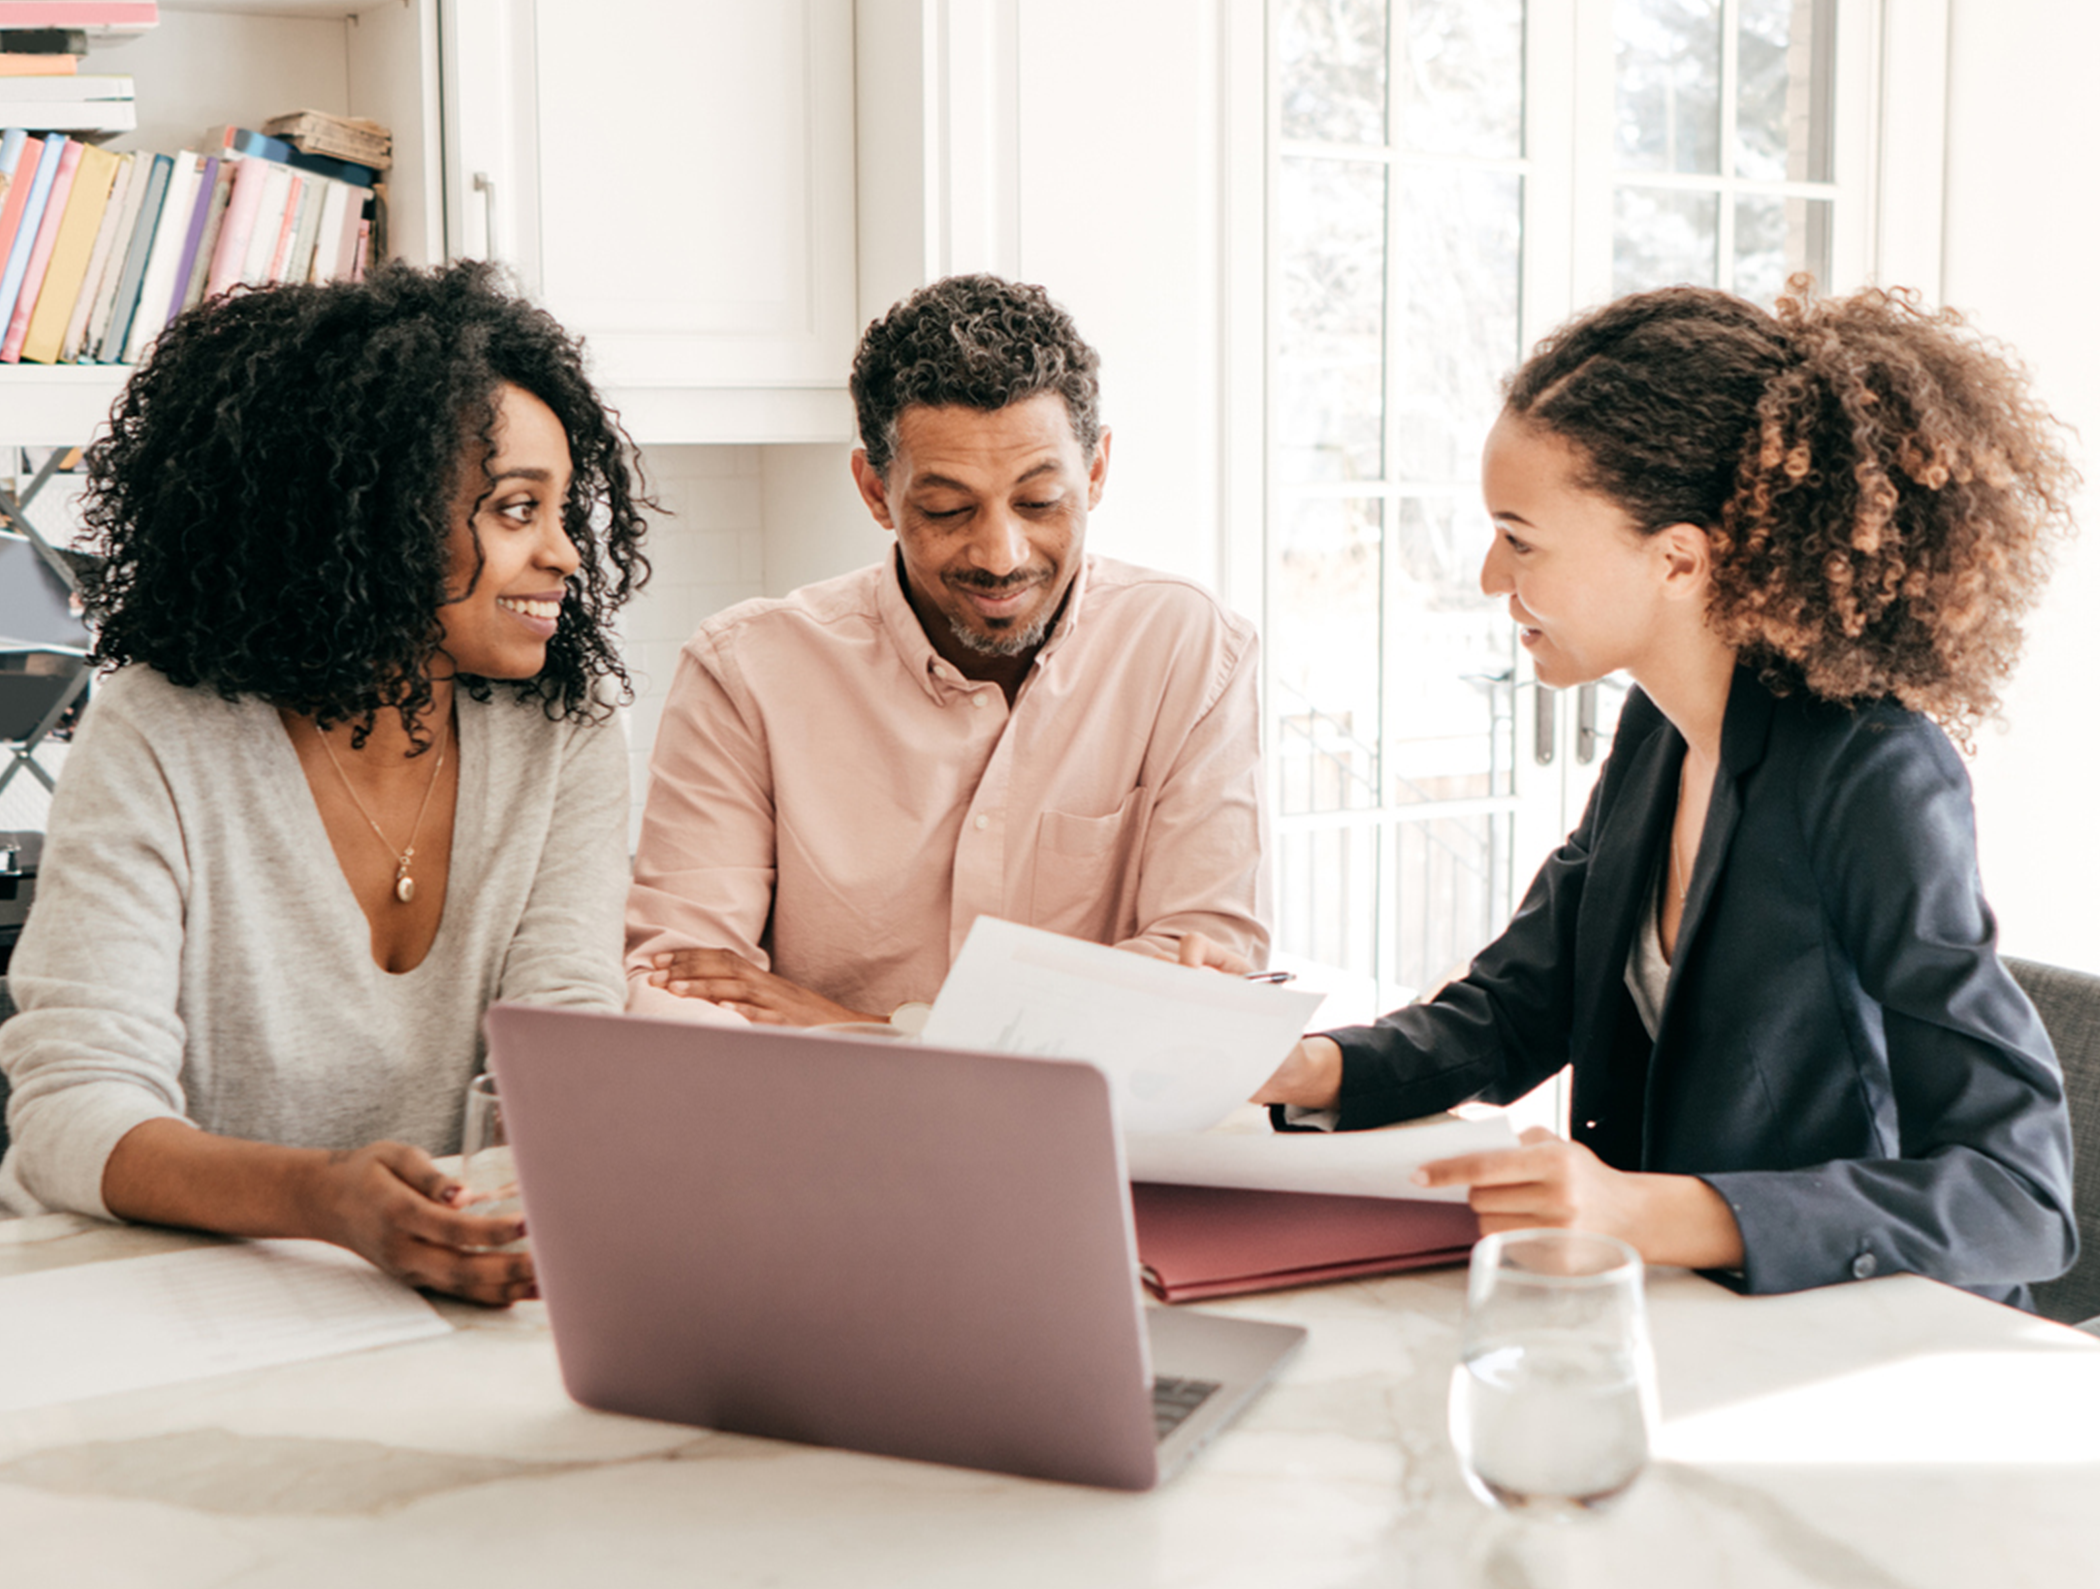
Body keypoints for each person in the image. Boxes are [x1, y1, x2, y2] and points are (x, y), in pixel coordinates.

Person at [1257, 282, 2077, 1303]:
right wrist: (1298, 1068)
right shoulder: (1659, 727)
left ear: (1679, 558)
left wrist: (1642, 1213)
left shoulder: (1871, 772)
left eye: (1520, 537)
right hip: (1687, 1322)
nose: (1485, 576)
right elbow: (1518, 1007)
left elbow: (2019, 1198)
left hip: (1856, 1343)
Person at [0, 261, 650, 1304]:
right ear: (374, 515)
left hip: (442, 1284)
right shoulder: (166, 727)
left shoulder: (565, 729)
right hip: (171, 1299)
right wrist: (324, 1199)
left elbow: (563, 1045)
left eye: (563, 509)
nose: (566, 554)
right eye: (518, 509)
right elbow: (74, 1111)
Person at [626, 272, 1268, 1027]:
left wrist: (864, 1030)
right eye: (946, 508)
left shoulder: (1192, 652)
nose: (1001, 554)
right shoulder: (744, 674)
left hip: (1089, 1140)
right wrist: (1068, 1012)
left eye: (1038, 502)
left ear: (1094, 471)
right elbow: (680, 991)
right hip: (821, 1139)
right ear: (875, 490)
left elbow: (1208, 970)